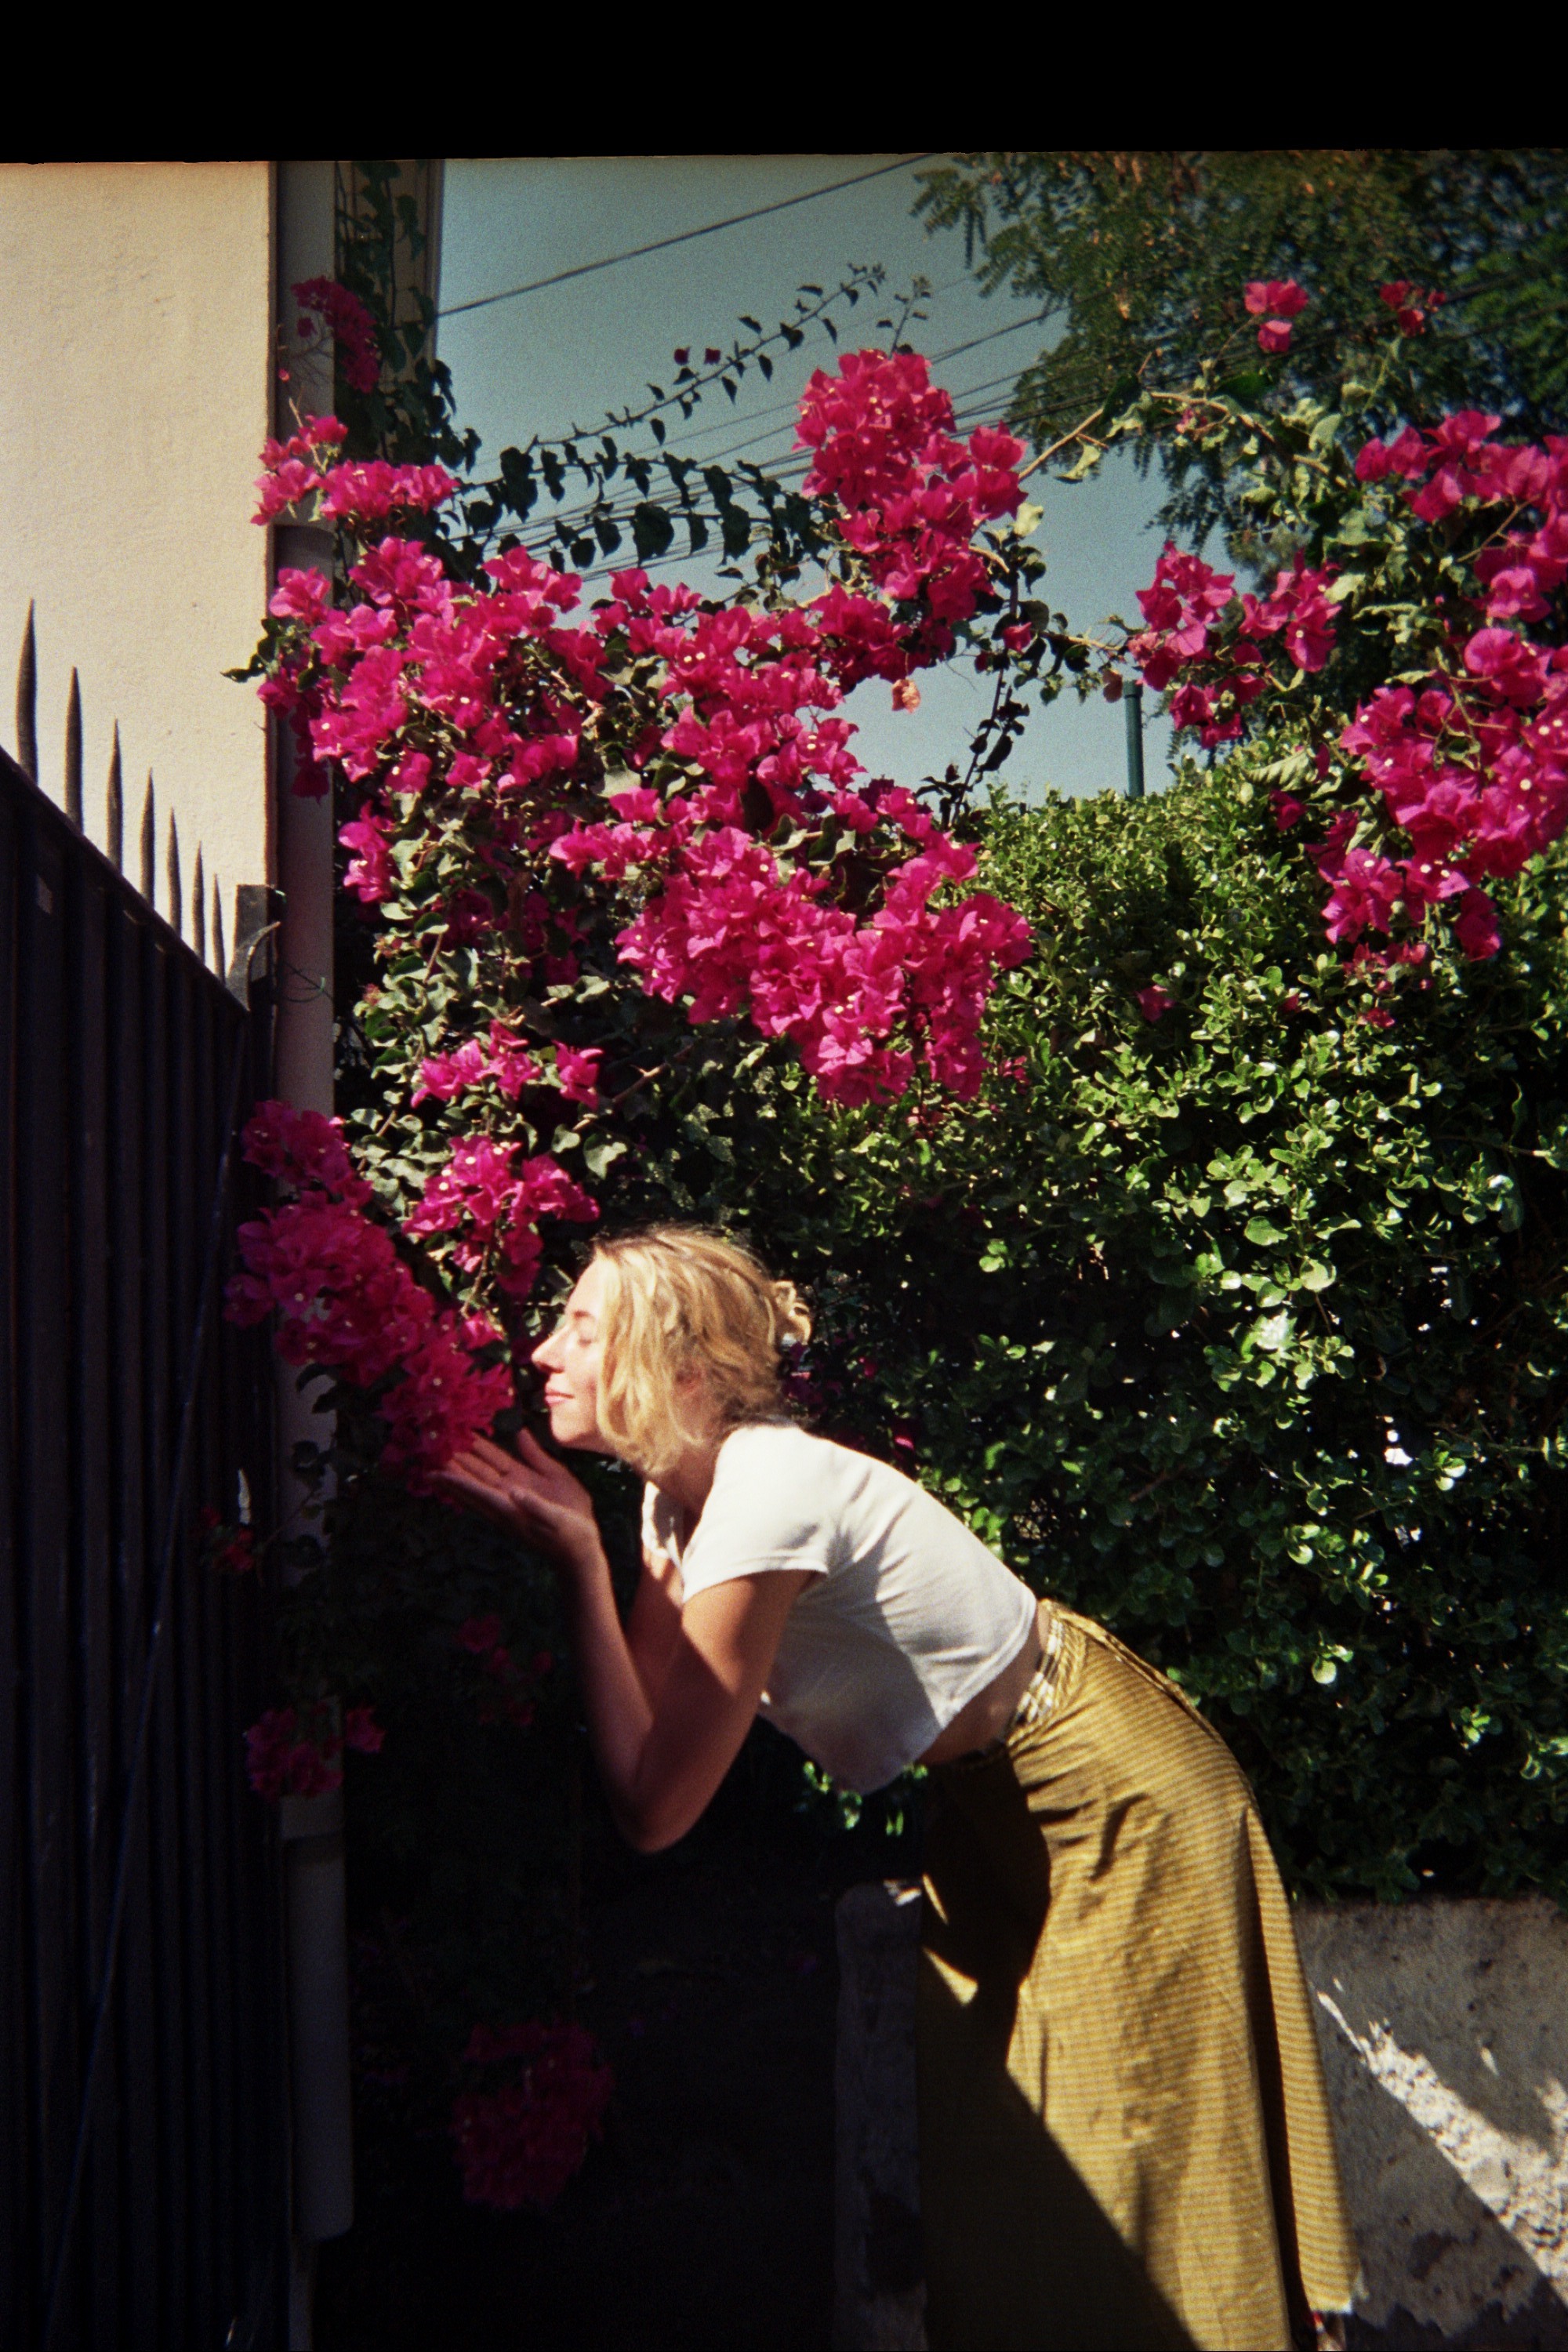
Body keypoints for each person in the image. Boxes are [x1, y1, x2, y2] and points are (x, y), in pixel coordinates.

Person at [437, 1225, 1360, 2352]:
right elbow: (643, 1729)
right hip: (993, 1804)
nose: (542, 1352)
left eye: (579, 1327)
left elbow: (653, 1805)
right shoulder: (676, 1505)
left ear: (677, 1371)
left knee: (1144, 2149)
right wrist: (596, 1546)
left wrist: (579, 1565)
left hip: (1114, 1795)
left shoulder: (763, 1496)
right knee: (1016, 2151)